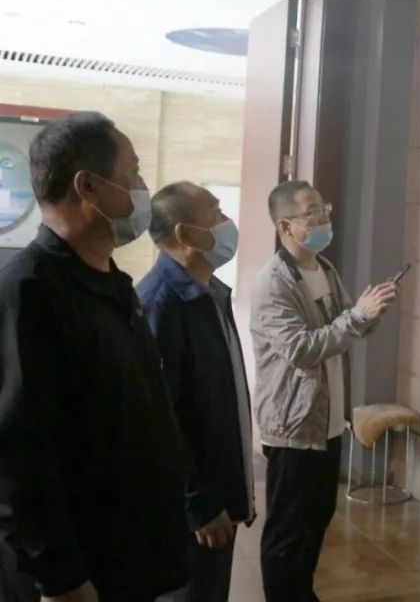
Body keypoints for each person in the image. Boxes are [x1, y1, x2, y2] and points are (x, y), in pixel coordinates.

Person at [0, 112, 189, 602]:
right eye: (134, 172)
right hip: (80, 578)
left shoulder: (114, 285)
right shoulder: (29, 292)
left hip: (131, 561)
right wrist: (60, 577)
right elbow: (18, 455)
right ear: (88, 186)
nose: (144, 189)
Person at [250, 180, 399, 602]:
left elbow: (345, 328)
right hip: (294, 425)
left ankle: (301, 593)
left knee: (316, 519)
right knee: (288, 530)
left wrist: (371, 309)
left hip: (328, 420)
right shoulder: (273, 281)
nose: (324, 219)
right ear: (285, 226)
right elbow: (301, 349)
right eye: (312, 212)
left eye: (324, 209)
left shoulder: (323, 268)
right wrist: (357, 317)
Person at [136, 182, 254, 602]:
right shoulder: (159, 304)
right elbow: (156, 419)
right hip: (191, 513)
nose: (227, 222)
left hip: (219, 495)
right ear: (185, 234)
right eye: (216, 214)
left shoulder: (211, 293)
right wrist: (197, 502)